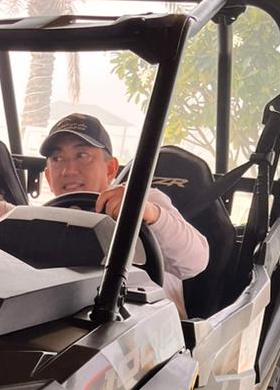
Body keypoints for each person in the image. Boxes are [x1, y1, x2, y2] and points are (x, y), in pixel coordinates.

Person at [40, 114, 209, 315]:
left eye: (82, 155)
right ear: (48, 177)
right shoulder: (41, 224)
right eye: (57, 159)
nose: (68, 170)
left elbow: (195, 262)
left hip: (153, 332)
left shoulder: (145, 200)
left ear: (110, 168)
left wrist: (149, 213)